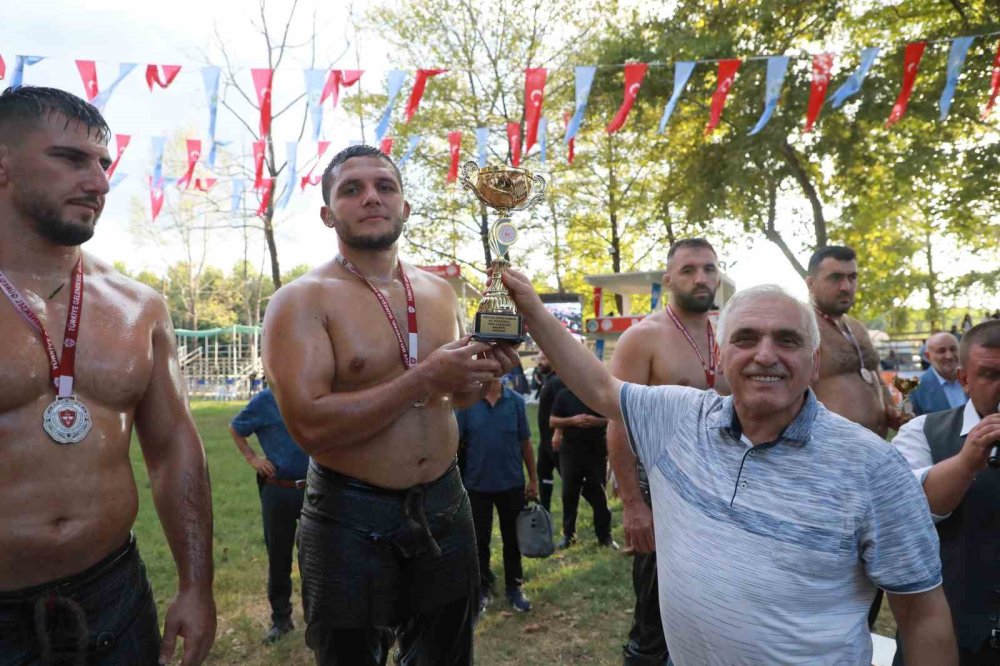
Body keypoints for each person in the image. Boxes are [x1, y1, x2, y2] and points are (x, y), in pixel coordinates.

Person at [500, 269, 958, 666]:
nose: (765, 355)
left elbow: (922, 614)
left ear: (813, 362)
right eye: (745, 338)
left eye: (787, 340)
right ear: (720, 358)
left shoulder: (875, 468)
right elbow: (600, 386)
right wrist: (531, 307)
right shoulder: (678, 418)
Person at [262, 144, 516, 666]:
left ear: (405, 207)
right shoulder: (302, 299)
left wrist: (484, 372)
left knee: (447, 656)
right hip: (348, 516)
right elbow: (310, 426)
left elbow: (457, 396)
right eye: (351, 189)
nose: (370, 197)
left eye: (385, 186)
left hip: (445, 503)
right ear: (328, 213)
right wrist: (425, 375)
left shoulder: (441, 292)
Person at [0, 86, 216, 665]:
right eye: (70, 159)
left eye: (103, 163)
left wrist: (197, 586)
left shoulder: (137, 306)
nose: (98, 182)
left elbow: (174, 451)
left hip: (112, 594)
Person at [607, 238, 731, 666]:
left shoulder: (730, 337)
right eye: (689, 270)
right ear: (668, 279)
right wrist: (633, 504)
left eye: (710, 269)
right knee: (655, 615)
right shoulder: (643, 337)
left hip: (721, 489)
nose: (702, 278)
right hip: (660, 489)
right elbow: (619, 421)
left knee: (713, 608)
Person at [806, 245, 904, 626]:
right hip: (827, 469)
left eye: (852, 277)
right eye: (835, 278)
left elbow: (872, 379)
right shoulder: (802, 327)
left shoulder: (856, 326)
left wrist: (889, 409)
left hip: (873, 464)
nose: (846, 286)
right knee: (833, 576)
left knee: (871, 568)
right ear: (810, 282)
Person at [892, 320, 1000, 665]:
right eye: (991, 375)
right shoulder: (922, 431)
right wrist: (967, 462)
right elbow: (909, 511)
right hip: (946, 640)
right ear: (965, 380)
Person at [228, 385, 309, 644]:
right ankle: (281, 619)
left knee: (318, 555)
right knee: (279, 555)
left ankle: (317, 619)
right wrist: (253, 459)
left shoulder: (311, 391)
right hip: (279, 490)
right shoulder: (264, 400)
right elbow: (236, 428)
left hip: (315, 490)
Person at [456, 378, 538, 614]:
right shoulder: (467, 404)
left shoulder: (516, 402)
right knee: (479, 540)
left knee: (512, 539)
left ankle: (515, 587)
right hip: (477, 485)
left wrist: (533, 479)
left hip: (511, 484)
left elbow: (526, 444)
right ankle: (482, 588)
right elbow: (456, 444)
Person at [550, 384, 617, 549]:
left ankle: (605, 536)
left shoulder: (599, 394)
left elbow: (613, 419)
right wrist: (572, 421)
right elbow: (553, 420)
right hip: (571, 451)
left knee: (599, 494)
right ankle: (568, 535)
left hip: (596, 450)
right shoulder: (564, 395)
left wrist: (596, 421)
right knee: (569, 493)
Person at [910, 331, 967, 417]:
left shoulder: (973, 379)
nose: (949, 356)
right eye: (941, 351)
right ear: (928, 356)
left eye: (953, 349)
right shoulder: (915, 390)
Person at [534, 351, 564, 511]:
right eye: (539, 359)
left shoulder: (558, 381)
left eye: (543, 359)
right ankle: (544, 510)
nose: (539, 362)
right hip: (545, 440)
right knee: (543, 474)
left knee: (569, 479)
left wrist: (558, 432)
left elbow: (561, 408)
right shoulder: (548, 380)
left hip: (556, 440)